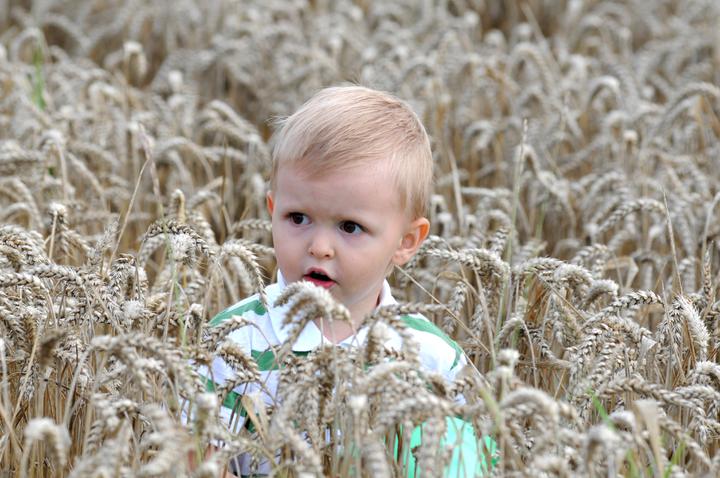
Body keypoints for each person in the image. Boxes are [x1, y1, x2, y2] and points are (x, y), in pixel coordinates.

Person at [192, 86, 482, 476]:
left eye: (349, 227)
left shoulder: (433, 360)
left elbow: (465, 464)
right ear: (272, 210)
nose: (320, 247)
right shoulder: (233, 344)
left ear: (406, 241)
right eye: (298, 218)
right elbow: (196, 458)